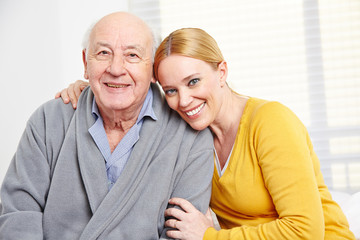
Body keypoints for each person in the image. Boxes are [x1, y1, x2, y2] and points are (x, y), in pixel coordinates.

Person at [59, 27, 356, 240]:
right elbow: (132, 91)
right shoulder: (190, 136)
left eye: (194, 81)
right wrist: (94, 90)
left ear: (222, 72)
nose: (184, 101)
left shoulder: (270, 121)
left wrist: (209, 236)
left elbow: (306, 231)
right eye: (171, 90)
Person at [0, 13, 214, 239]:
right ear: (85, 63)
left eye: (132, 55)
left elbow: (180, 234)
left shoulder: (191, 140)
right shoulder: (48, 121)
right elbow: (19, 213)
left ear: (153, 69)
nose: (116, 68)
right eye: (103, 53)